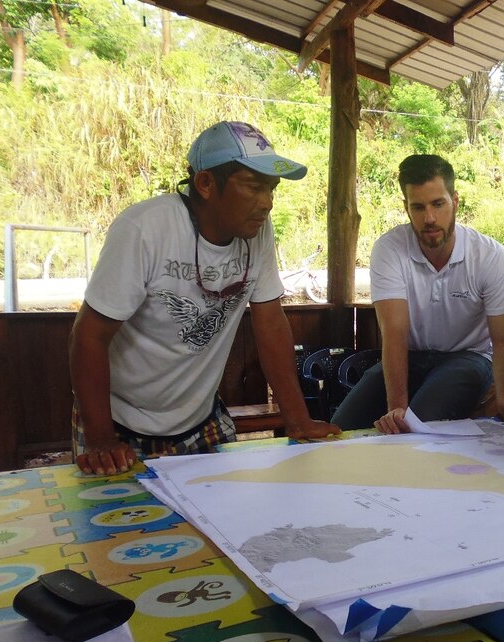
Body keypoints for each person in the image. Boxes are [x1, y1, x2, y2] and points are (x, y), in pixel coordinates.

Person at [70, 121, 339, 476]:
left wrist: (298, 420)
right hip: (118, 424)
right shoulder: (145, 229)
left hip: (200, 419)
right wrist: (101, 439)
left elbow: (270, 323)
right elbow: (88, 336)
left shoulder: (256, 234)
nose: (267, 204)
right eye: (254, 187)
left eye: (272, 189)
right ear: (206, 184)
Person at [331, 154, 504, 434]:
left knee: (419, 425)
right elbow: (394, 332)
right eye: (418, 207)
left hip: (469, 358)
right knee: (340, 427)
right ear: (406, 208)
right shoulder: (389, 249)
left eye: (438, 204)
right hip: (411, 356)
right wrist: (396, 408)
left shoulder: (490, 256)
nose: (430, 218)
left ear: (455, 201)